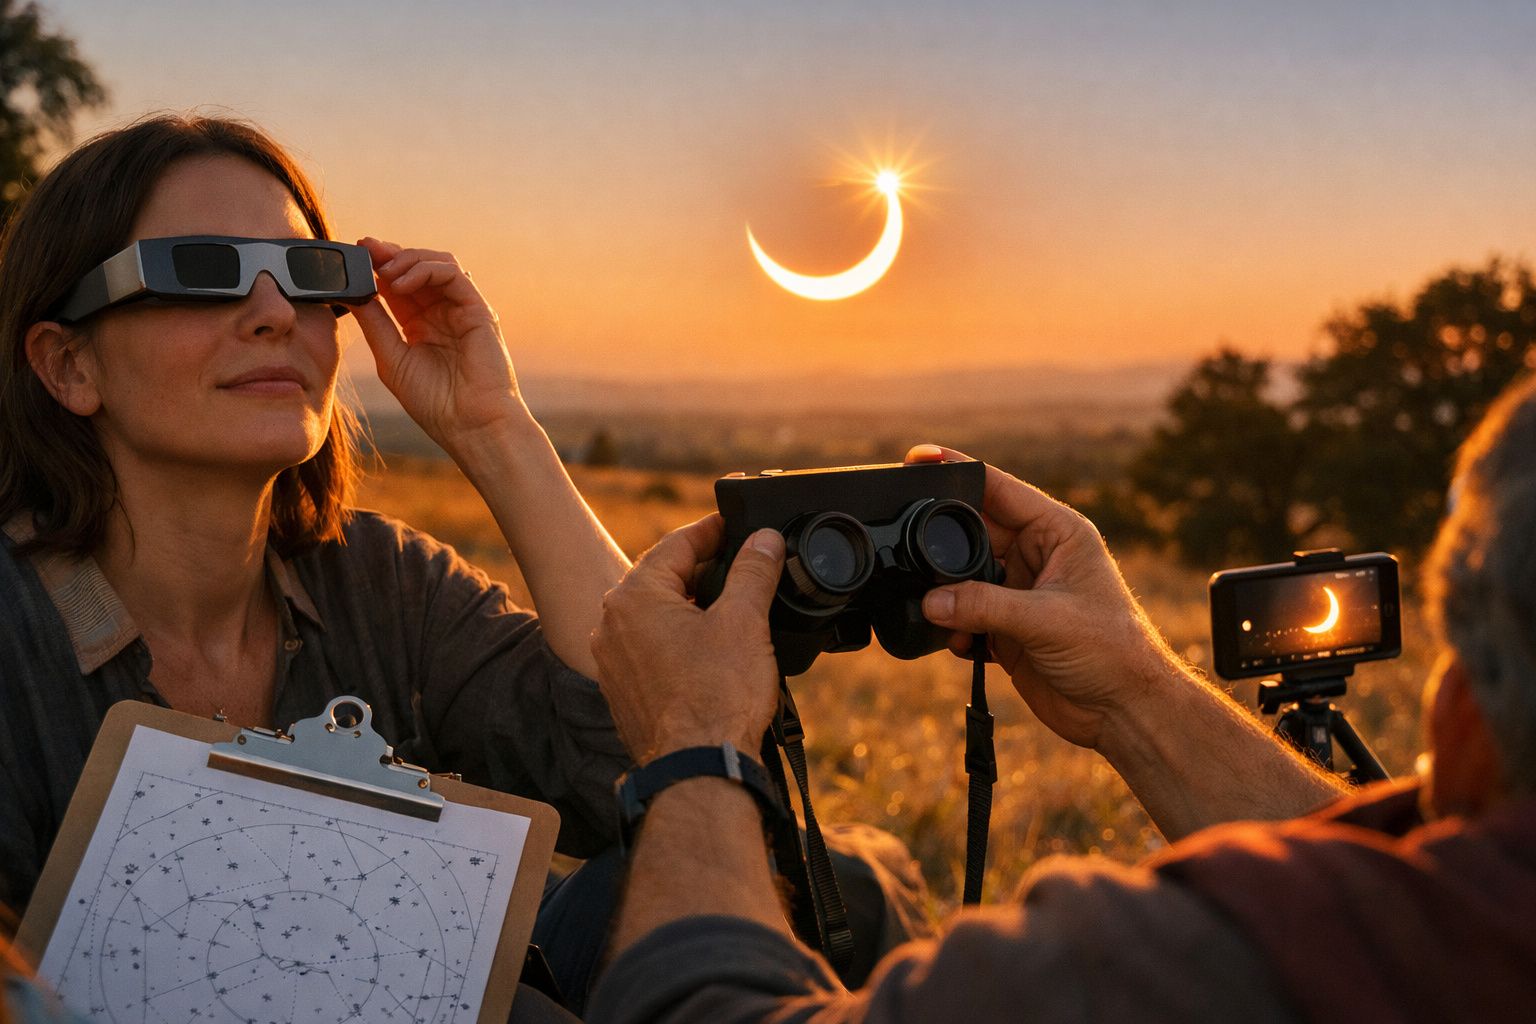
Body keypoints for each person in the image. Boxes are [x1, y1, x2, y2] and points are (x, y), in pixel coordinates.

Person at [585, 378, 1536, 1022]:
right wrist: (1131, 692)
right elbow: (1383, 908)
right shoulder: (1455, 941)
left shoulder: (1160, 974)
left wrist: (696, 741)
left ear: (1465, 726)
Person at [0, 114, 633, 1020]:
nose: (272, 313)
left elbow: (649, 756)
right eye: (203, 271)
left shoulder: (382, 583)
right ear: (67, 365)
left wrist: (496, 432)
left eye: (309, 276)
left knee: (789, 873)